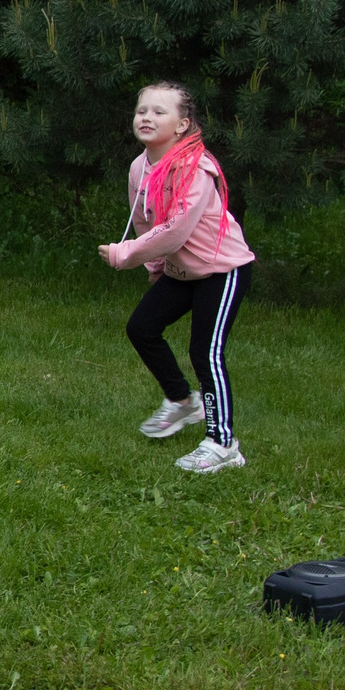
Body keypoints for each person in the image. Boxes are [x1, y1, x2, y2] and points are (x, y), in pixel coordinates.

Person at [99, 82, 257, 474]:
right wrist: (154, 266)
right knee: (142, 328)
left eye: (159, 112)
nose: (146, 118)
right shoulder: (140, 167)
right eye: (142, 111)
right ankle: (183, 401)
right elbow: (145, 220)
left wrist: (127, 254)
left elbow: (176, 229)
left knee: (205, 352)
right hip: (181, 271)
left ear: (183, 125)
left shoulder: (196, 168)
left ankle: (223, 444)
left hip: (222, 270)